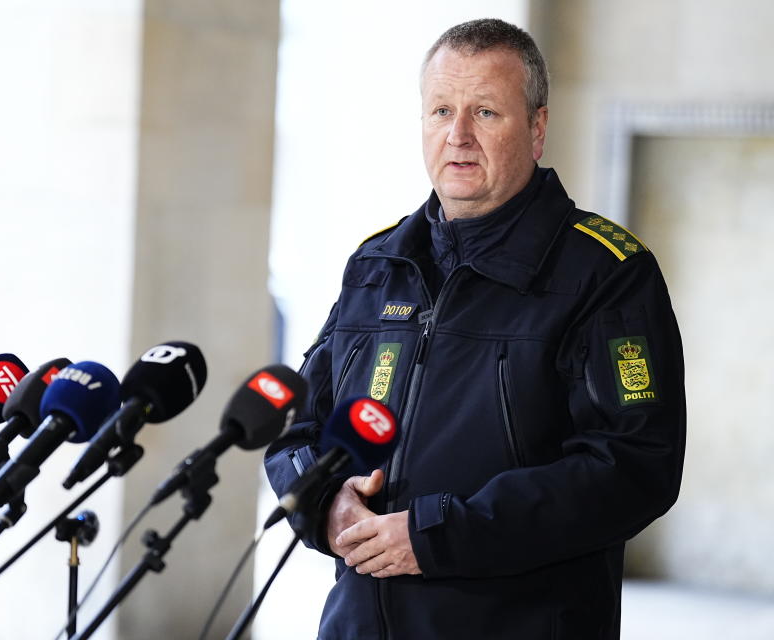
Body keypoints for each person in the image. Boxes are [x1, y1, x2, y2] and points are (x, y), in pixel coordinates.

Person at [264, 17, 685, 640]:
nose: (457, 135)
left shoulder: (607, 273)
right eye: (440, 111)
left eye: (486, 112)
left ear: (537, 129)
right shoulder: (377, 266)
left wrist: (435, 536)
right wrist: (325, 503)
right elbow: (296, 421)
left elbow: (632, 465)